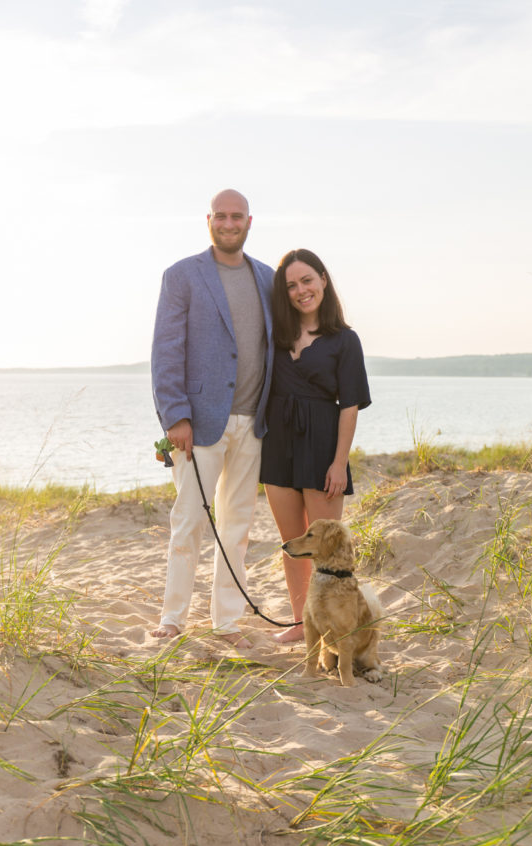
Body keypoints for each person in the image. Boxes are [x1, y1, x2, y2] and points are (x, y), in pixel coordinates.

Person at [150, 189, 274, 648]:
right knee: (188, 523)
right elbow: (166, 351)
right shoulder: (182, 275)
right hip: (198, 424)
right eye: (220, 216)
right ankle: (172, 618)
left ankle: (226, 622)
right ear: (209, 220)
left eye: (236, 216)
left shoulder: (268, 277)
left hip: (253, 423)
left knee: (237, 527)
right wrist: (175, 416)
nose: (228, 223)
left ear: (248, 221)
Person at [260, 249, 371, 643]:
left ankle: (338, 628)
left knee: (327, 551)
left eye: (307, 280)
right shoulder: (275, 336)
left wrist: (339, 463)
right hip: (278, 447)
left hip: (323, 448)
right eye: (291, 285)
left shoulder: (344, 340)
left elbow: (350, 407)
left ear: (323, 279)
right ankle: (299, 623)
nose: (301, 290)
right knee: (293, 544)